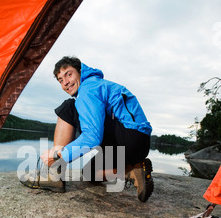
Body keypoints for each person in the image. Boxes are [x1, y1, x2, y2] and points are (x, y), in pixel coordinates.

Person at [21, 56, 154, 202]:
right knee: (89, 173)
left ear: (80, 71)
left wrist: (58, 155)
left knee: (68, 108)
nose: (65, 82)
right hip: (139, 145)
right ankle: (132, 169)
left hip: (129, 138)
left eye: (69, 74)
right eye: (60, 80)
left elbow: (92, 137)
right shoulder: (94, 86)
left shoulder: (88, 88)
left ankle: (55, 174)